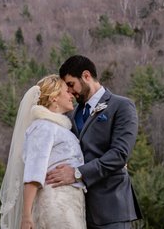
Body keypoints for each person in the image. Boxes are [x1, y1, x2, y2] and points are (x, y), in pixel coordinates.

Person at [46, 55, 142, 229]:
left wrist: (77, 173)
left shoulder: (122, 106)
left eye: (70, 84)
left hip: (111, 208)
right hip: (75, 210)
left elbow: (119, 154)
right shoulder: (70, 114)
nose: (69, 92)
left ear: (86, 76)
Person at [0, 74, 87, 229]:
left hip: (71, 203)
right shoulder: (43, 127)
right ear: (54, 98)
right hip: (55, 203)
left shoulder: (58, 128)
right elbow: (33, 171)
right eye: (67, 91)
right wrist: (26, 216)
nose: (71, 95)